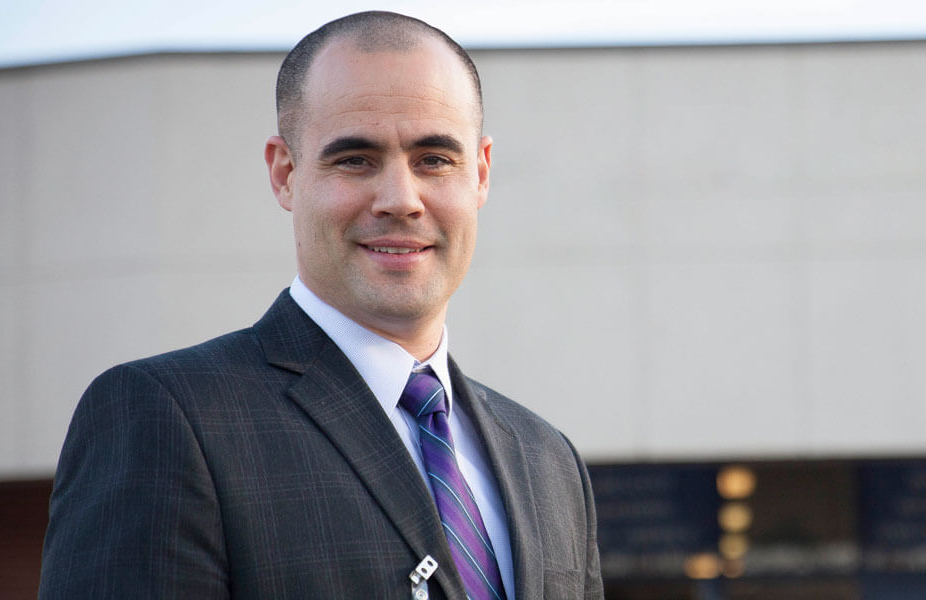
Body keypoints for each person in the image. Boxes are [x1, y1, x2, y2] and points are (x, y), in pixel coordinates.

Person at [39, 11, 602, 600]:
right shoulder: (165, 418)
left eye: (434, 159)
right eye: (355, 159)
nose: (401, 199)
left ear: (480, 173)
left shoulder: (549, 460)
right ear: (285, 174)